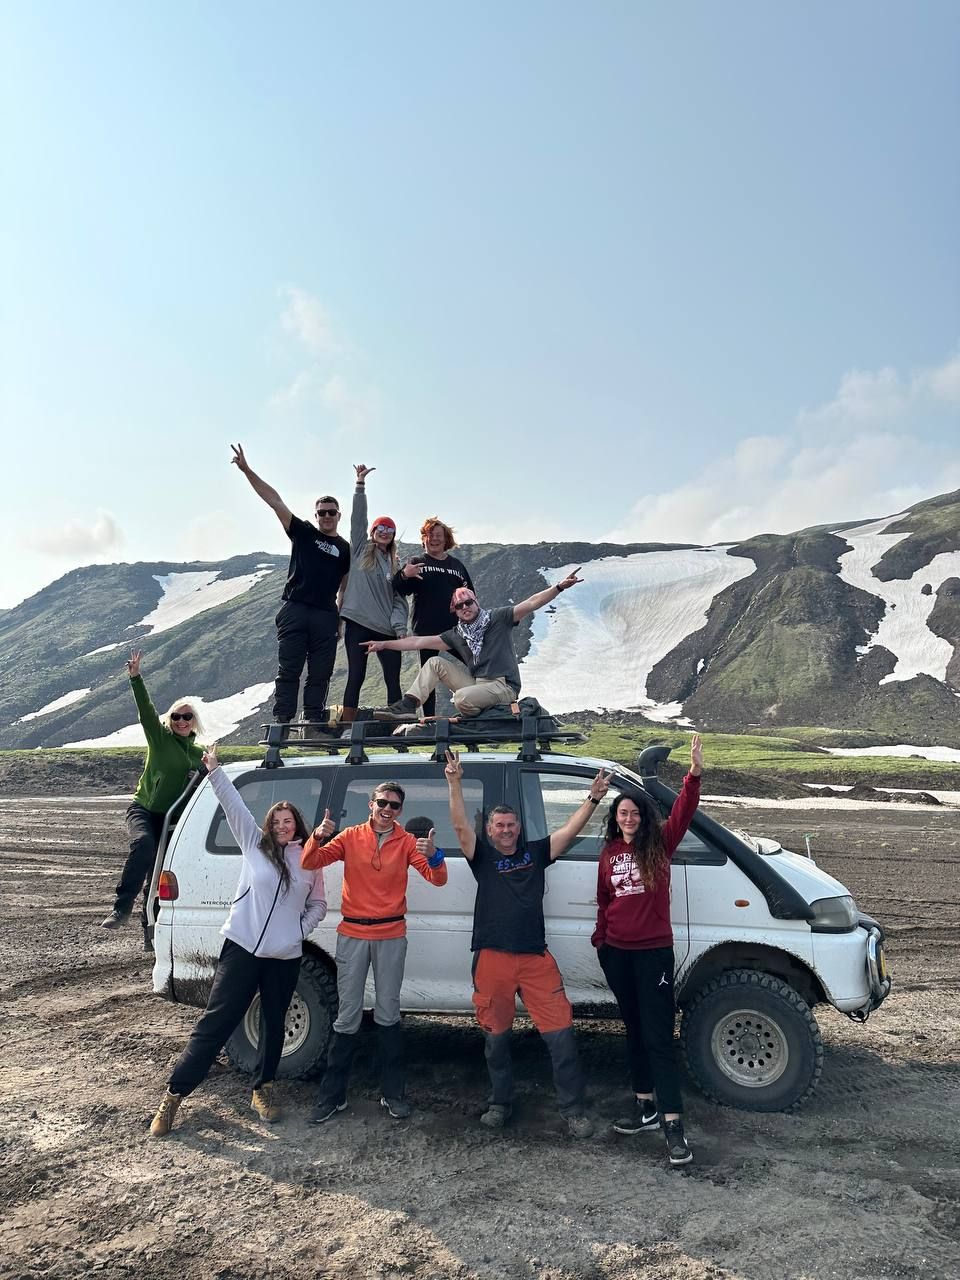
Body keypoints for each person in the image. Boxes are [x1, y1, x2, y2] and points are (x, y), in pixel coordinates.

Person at [149, 743, 330, 1136]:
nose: (283, 826)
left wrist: (297, 932)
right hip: (243, 948)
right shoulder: (254, 845)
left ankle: (262, 1090)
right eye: (277, 821)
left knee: (274, 1024)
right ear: (269, 825)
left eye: (289, 821)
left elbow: (318, 903)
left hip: (284, 956)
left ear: (298, 824)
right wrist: (214, 770)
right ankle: (175, 1094)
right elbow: (233, 805)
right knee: (217, 1022)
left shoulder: (310, 859)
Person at [445, 748, 610, 1135]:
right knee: (496, 1038)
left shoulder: (536, 853)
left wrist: (593, 799)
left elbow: (569, 832)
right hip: (492, 959)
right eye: (499, 825)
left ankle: (573, 1109)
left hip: (535, 957)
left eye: (511, 825)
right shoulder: (482, 857)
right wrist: (454, 783)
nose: (505, 830)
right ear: (489, 830)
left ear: (519, 828)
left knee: (561, 1035)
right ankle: (500, 1103)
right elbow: (460, 827)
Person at [301, 781, 448, 1122]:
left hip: (391, 934)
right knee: (347, 1014)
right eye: (382, 802)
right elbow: (310, 861)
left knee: (388, 1012)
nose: (387, 809)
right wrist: (318, 835)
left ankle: (392, 1094)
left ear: (400, 811)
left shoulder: (407, 841)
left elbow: (437, 878)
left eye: (394, 805)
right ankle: (332, 1097)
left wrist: (435, 855)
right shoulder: (350, 836)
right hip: (353, 933)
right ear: (371, 804)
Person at [592, 733, 704, 1167]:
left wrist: (693, 775)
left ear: (643, 816)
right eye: (623, 812)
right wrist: (601, 941)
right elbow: (605, 900)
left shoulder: (660, 844)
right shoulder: (608, 852)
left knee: (658, 1037)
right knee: (634, 1031)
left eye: (635, 812)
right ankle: (645, 1108)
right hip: (617, 953)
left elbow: (684, 812)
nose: (629, 818)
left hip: (653, 953)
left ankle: (674, 1125)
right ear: (615, 818)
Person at [231, 443, 350, 725]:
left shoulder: (345, 549)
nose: (327, 516)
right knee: (289, 670)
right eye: (322, 512)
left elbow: (344, 587)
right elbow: (275, 500)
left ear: (339, 515)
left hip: (325, 614)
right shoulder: (304, 532)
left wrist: (340, 620)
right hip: (295, 609)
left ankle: (312, 722)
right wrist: (247, 470)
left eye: (331, 512)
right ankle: (282, 723)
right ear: (316, 515)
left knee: (321, 673)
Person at [366, 570, 584, 720]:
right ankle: (409, 705)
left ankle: (489, 716)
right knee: (434, 662)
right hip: (478, 685)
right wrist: (383, 644)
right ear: (455, 611)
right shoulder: (457, 634)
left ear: (476, 602)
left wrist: (559, 587)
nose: (465, 608)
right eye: (459, 606)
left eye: (468, 602)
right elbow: (418, 641)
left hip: (503, 687)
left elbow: (531, 602)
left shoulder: (498, 618)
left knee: (461, 699)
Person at [101, 651, 205, 946]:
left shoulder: (199, 755)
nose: (181, 721)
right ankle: (121, 908)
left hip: (171, 819)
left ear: (194, 721)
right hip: (144, 809)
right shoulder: (160, 739)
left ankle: (152, 934)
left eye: (187, 717)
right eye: (176, 716)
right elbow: (146, 711)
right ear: (170, 719)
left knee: (160, 874)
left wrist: (207, 769)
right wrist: (135, 678)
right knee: (144, 845)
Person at [338, 464, 409, 723]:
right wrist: (360, 486)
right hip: (358, 622)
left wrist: (399, 627)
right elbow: (358, 520)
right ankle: (347, 726)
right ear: (373, 532)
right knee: (356, 675)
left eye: (390, 531)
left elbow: (399, 600)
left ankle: (396, 729)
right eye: (381, 528)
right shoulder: (359, 550)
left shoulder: (395, 565)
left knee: (393, 679)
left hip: (386, 629)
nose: (385, 533)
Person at [393, 517, 474, 716]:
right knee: (427, 673)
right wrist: (404, 575)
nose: (434, 539)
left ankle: (487, 703)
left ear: (446, 539)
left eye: (438, 535)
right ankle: (429, 720)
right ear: (424, 539)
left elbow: (471, 596)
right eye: (430, 535)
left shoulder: (457, 565)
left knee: (477, 663)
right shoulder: (417, 562)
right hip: (426, 629)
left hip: (455, 630)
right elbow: (399, 589)